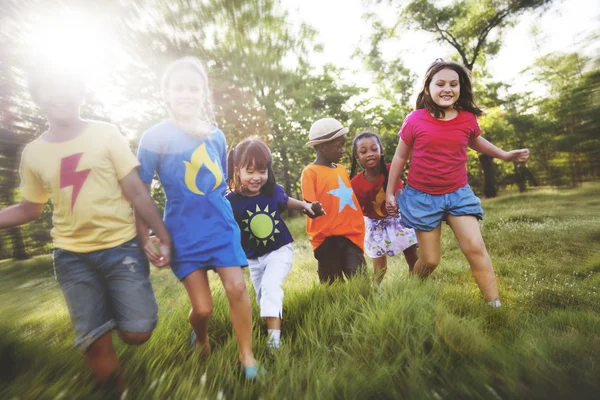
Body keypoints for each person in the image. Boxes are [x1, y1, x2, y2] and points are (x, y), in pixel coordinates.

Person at [0, 67, 171, 398]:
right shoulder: (33, 153)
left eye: (66, 86)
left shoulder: (106, 134)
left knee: (138, 332)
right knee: (93, 343)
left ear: (80, 93)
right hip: (71, 256)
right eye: (49, 88)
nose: (58, 94)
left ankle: (112, 306)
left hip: (121, 249)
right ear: (38, 98)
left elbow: (136, 190)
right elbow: (30, 208)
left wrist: (160, 234)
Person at [135, 56, 260, 379]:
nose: (187, 95)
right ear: (167, 94)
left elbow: (217, 182)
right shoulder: (154, 138)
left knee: (236, 288)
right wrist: (144, 234)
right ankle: (201, 337)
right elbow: (139, 191)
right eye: (179, 88)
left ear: (203, 93)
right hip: (182, 232)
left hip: (220, 226)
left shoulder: (216, 136)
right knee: (203, 308)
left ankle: (246, 356)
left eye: (194, 88)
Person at [385, 59, 530, 306]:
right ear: (428, 87)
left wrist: (505, 155)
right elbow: (400, 156)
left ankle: (493, 305)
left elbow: (476, 142)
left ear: (460, 88)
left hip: (457, 194)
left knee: (475, 247)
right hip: (422, 197)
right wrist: (390, 192)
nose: (447, 89)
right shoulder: (415, 120)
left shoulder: (466, 119)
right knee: (430, 260)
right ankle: (411, 287)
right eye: (440, 84)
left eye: (454, 84)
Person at [226, 138, 324, 350]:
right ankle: (273, 326)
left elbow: (287, 200)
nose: (257, 177)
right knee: (262, 295)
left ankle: (274, 343)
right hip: (253, 257)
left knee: (270, 288)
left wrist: (305, 205)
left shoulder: (272, 191)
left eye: (262, 171)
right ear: (237, 170)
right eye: (250, 171)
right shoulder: (230, 201)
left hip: (279, 249)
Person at [301, 117, 366, 284]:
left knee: (359, 280)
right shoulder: (310, 172)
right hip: (326, 240)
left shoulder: (342, 170)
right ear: (323, 146)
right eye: (339, 146)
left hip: (351, 235)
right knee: (333, 284)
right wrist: (311, 208)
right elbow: (309, 203)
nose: (343, 150)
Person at [350, 131, 418, 283]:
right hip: (375, 227)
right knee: (380, 269)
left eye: (374, 149)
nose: (370, 154)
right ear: (357, 157)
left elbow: (399, 191)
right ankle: (375, 293)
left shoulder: (391, 169)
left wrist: (397, 202)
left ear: (381, 151)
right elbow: (356, 210)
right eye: (363, 151)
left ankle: (416, 286)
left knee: (413, 258)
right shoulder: (355, 184)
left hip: (398, 221)